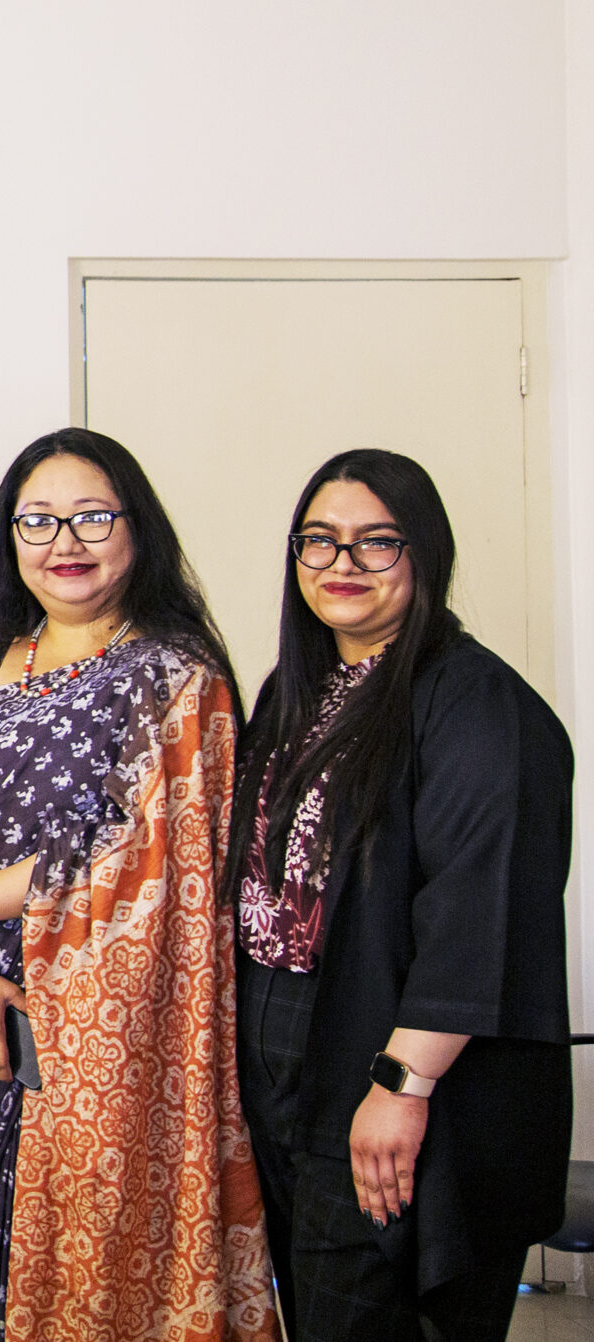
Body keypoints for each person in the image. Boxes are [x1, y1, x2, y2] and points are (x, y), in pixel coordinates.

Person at [0, 427, 277, 1341]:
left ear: (137, 529)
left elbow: (144, 850)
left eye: (93, 517)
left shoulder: (176, 677)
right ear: (8, 537)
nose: (64, 543)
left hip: (104, 1028)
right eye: (38, 521)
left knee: (88, 1263)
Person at [230, 450, 571, 1340]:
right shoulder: (296, 693)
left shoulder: (478, 703)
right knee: (316, 1309)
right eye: (319, 540)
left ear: (426, 553)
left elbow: (477, 910)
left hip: (398, 1064)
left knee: (377, 1313)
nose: (342, 563)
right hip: (288, 1058)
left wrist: (400, 1085)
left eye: (376, 542)